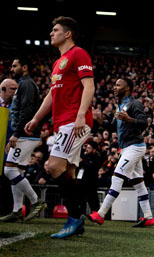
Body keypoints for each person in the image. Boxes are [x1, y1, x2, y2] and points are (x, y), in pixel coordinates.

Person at [24, 16, 95, 239]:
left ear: (68, 34)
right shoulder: (58, 62)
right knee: (69, 171)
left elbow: (89, 85)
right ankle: (77, 219)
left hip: (74, 122)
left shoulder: (78, 53)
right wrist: (36, 118)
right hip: (62, 123)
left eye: (55, 30)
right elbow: (52, 95)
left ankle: (76, 215)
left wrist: (81, 115)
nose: (51, 33)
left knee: (53, 166)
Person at [87, 78, 154, 227]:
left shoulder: (134, 103)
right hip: (127, 147)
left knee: (117, 177)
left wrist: (130, 119)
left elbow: (144, 123)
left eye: (118, 85)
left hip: (135, 147)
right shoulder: (121, 104)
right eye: (115, 85)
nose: (114, 87)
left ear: (128, 88)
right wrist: (100, 121)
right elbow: (116, 126)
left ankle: (101, 214)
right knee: (138, 182)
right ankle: (149, 217)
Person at [0, 57, 46, 223]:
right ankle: (17, 210)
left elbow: (25, 110)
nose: (12, 68)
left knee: (9, 171)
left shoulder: (26, 85)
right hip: (27, 133)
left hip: (26, 134)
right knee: (17, 171)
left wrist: (16, 134)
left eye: (15, 65)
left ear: (24, 67)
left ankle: (36, 201)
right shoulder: (25, 84)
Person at [0, 79, 18, 216]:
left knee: (7, 180)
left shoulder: (16, 107)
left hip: (9, 150)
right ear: (3, 89)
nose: (15, 92)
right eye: (12, 89)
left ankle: (7, 211)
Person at [78, 141, 102, 215]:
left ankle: (96, 216)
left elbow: (91, 167)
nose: (87, 149)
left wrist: (82, 162)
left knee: (93, 202)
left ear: (94, 150)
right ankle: (80, 216)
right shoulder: (83, 156)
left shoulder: (97, 158)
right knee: (80, 201)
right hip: (81, 182)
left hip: (91, 184)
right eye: (87, 147)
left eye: (89, 148)